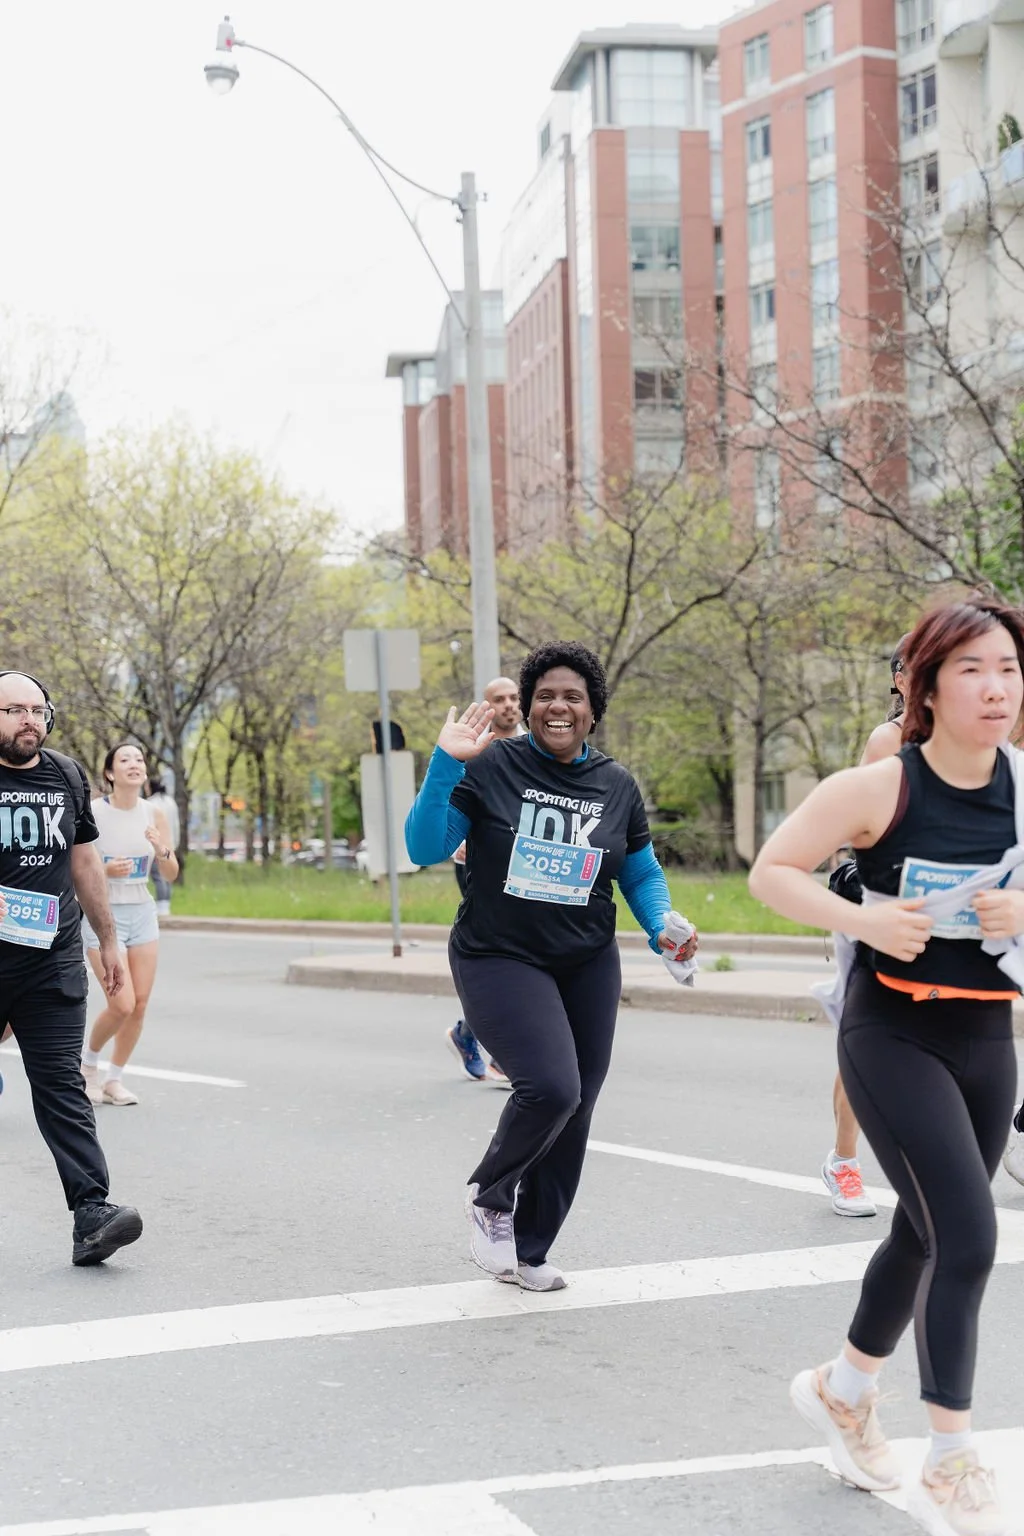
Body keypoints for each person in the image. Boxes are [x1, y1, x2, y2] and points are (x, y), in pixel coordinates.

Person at [749, 599, 1024, 1535]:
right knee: (971, 1236)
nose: (996, 689)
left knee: (922, 1231)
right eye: (974, 671)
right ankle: (951, 1461)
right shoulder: (878, 787)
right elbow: (772, 870)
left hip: (989, 1040)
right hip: (890, 1034)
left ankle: (843, 1389)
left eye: (1009, 670)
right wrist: (864, 920)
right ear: (929, 687)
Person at [406, 642, 698, 1293]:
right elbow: (425, 845)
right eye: (545, 695)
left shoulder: (616, 786)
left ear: (593, 712)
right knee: (551, 1088)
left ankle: (530, 1250)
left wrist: (663, 927)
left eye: (572, 696)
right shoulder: (491, 766)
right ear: (529, 706)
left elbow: (640, 870)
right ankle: (489, 1194)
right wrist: (444, 762)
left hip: (587, 959)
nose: (557, 706)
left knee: (580, 1106)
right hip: (498, 954)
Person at [0, 671, 143, 1265]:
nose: (27, 719)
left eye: (36, 709)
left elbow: (83, 859)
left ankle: (92, 1212)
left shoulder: (64, 774)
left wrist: (106, 939)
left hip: (51, 959)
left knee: (61, 1085)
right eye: (12, 710)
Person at [821, 633, 910, 1220]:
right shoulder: (891, 739)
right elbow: (863, 833)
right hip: (878, 903)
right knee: (869, 1042)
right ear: (900, 678)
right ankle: (844, 1161)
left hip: (947, 913)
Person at [81, 742, 178, 1107]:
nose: (135, 765)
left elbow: (171, 871)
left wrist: (161, 850)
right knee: (120, 1004)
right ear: (110, 773)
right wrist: (104, 871)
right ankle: (88, 1065)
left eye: (139, 759)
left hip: (141, 911)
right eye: (125, 760)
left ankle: (114, 1079)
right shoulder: (92, 813)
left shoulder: (154, 814)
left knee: (139, 1004)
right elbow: (78, 867)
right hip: (103, 915)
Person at [446, 675, 524, 1088]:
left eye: (514, 697)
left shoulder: (536, 744)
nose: (509, 704)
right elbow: (453, 798)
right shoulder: (473, 746)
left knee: (523, 956)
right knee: (503, 955)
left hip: (527, 865)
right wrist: (459, 837)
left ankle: (468, 1032)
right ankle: (507, 1053)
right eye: (500, 699)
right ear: (487, 706)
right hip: (479, 863)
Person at [146, 776, 180, 917]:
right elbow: (176, 824)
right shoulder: (171, 802)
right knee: (167, 874)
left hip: (156, 843)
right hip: (170, 842)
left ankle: (162, 905)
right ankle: (166, 904)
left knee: (158, 875)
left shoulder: (150, 804)